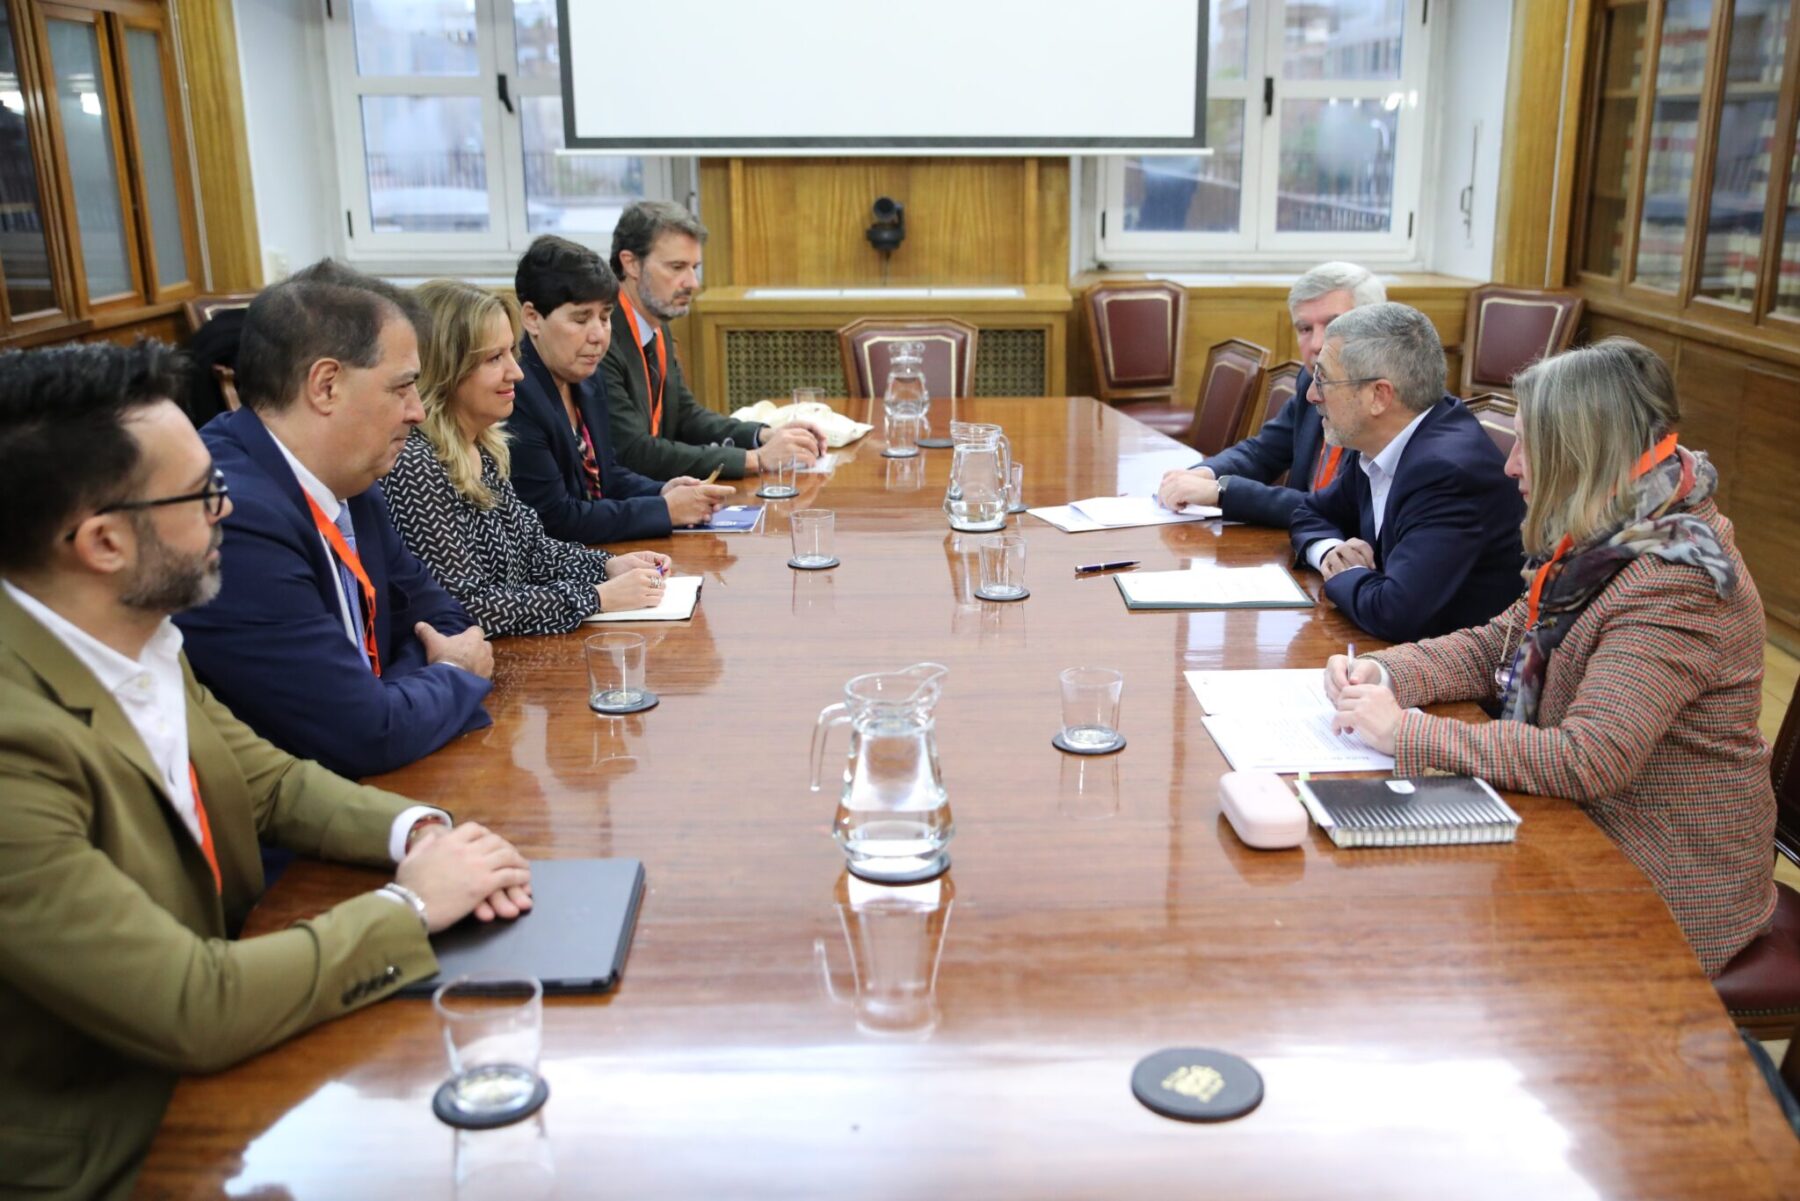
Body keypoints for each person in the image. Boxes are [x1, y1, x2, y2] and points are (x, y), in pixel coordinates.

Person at [0, 341, 533, 1200]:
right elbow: (190, 1002)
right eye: (202, 493)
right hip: (121, 1147)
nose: (227, 508)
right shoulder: (13, 745)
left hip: (234, 1050)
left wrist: (422, 831)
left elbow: (271, 782)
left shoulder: (133, 630)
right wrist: (410, 905)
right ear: (101, 541)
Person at [1327, 339, 1776, 976]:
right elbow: (1498, 643)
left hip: (1662, 874)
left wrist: (1406, 732)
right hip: (1583, 825)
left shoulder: (1675, 578)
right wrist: (1391, 671)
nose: (1511, 466)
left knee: (1411, 937)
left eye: (1529, 443)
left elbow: (1590, 758)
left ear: (1579, 453)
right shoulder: (1609, 531)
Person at [175, 261, 495, 779]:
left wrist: (388, 692)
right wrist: (452, 671)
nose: (417, 410)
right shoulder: (232, 518)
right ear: (325, 386)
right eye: (402, 387)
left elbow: (447, 618)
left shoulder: (352, 480)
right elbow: (365, 734)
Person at [384, 279, 673, 636]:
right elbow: (465, 607)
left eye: (512, 354)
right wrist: (596, 597)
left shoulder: (484, 446)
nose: (517, 373)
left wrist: (609, 566)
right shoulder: (414, 464)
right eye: (494, 359)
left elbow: (532, 551)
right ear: (445, 369)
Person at [1287, 302, 1525, 642]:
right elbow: (1309, 510)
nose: (1312, 395)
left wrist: (1344, 573)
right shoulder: (1379, 440)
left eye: (1323, 380)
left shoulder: (1449, 472)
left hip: (1458, 681)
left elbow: (1395, 612)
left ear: (1379, 396)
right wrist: (1328, 551)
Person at [508, 235, 735, 542]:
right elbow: (555, 520)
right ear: (532, 319)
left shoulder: (587, 376)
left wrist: (663, 490)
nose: (598, 335)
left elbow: (607, 476)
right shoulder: (516, 393)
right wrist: (664, 510)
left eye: (604, 317)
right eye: (580, 319)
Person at [601, 201, 826, 479]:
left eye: (694, 267)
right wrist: (754, 459)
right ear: (631, 264)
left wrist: (763, 435)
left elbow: (684, 416)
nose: (692, 282)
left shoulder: (655, 324)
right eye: (677, 267)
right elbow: (633, 452)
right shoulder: (602, 336)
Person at [1157, 261, 1385, 525]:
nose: (1317, 344)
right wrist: (1204, 475)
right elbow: (1262, 453)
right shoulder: (1310, 382)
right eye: (1305, 329)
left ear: (1375, 327)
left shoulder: (1384, 402)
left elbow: (1342, 510)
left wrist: (1223, 492)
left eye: (1333, 325)